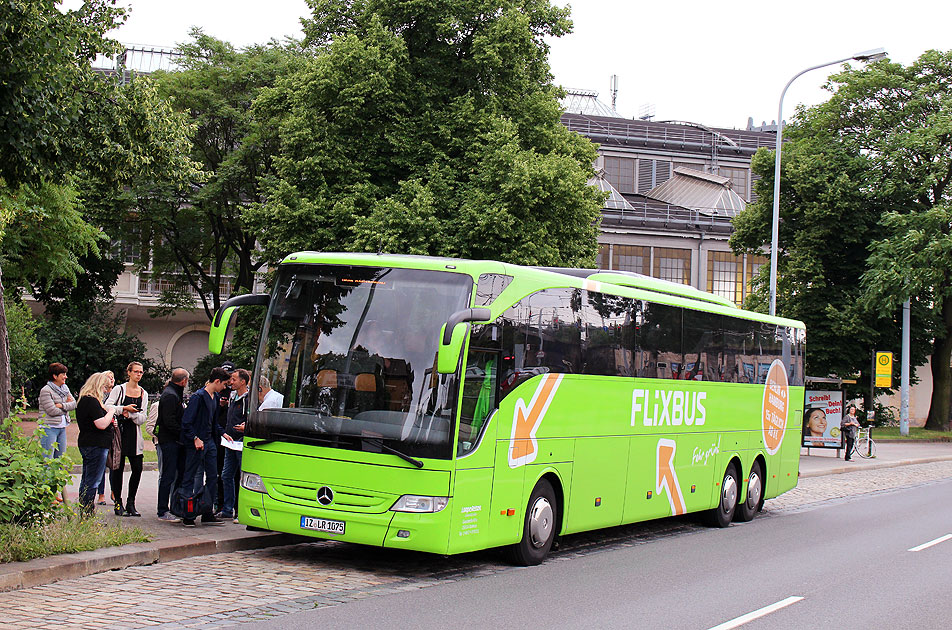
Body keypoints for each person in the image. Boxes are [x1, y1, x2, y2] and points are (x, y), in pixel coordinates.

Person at [179, 367, 231, 526]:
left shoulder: (215, 397)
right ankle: (188, 514)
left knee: (213, 477)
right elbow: (186, 422)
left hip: (210, 442)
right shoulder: (198, 397)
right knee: (190, 477)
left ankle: (207, 512)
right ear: (217, 381)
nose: (225, 388)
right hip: (198, 443)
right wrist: (195, 438)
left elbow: (213, 422)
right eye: (224, 384)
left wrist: (223, 433)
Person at [105, 362, 150, 517]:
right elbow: (107, 406)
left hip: (134, 433)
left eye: (141, 372)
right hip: (119, 433)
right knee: (117, 469)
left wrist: (131, 414)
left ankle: (131, 502)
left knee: (137, 468)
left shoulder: (143, 393)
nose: (138, 374)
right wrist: (123, 409)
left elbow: (143, 417)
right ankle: (118, 502)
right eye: (136, 371)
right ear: (129, 373)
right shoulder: (120, 389)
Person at [75, 372, 118, 516]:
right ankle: (87, 512)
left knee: (87, 478)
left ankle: (84, 510)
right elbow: (101, 424)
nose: (106, 390)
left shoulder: (84, 400)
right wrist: (111, 412)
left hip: (89, 442)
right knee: (93, 480)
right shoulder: (91, 401)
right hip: (95, 443)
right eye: (105, 387)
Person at [37, 362, 76, 502]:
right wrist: (66, 406)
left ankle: (54, 492)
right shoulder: (46, 390)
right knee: (48, 460)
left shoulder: (65, 388)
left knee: (59, 460)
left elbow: (74, 404)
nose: (65, 377)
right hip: (49, 428)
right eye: (63, 374)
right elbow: (51, 411)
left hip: (61, 427)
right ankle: (46, 493)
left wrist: (62, 405)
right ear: (55, 376)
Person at [155, 368, 189, 522]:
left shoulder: (174, 393)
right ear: (183, 381)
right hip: (170, 441)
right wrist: (183, 434)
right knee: (168, 476)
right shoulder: (170, 395)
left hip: (175, 440)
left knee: (177, 475)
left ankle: (175, 506)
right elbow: (169, 421)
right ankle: (163, 510)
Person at [219, 368, 250, 522]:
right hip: (230, 441)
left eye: (234, 379)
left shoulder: (248, 398)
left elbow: (251, 416)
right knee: (226, 475)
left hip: (241, 442)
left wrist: (246, 426)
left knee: (241, 476)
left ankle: (239, 510)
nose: (231, 382)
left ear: (242, 381)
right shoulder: (232, 396)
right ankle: (227, 508)